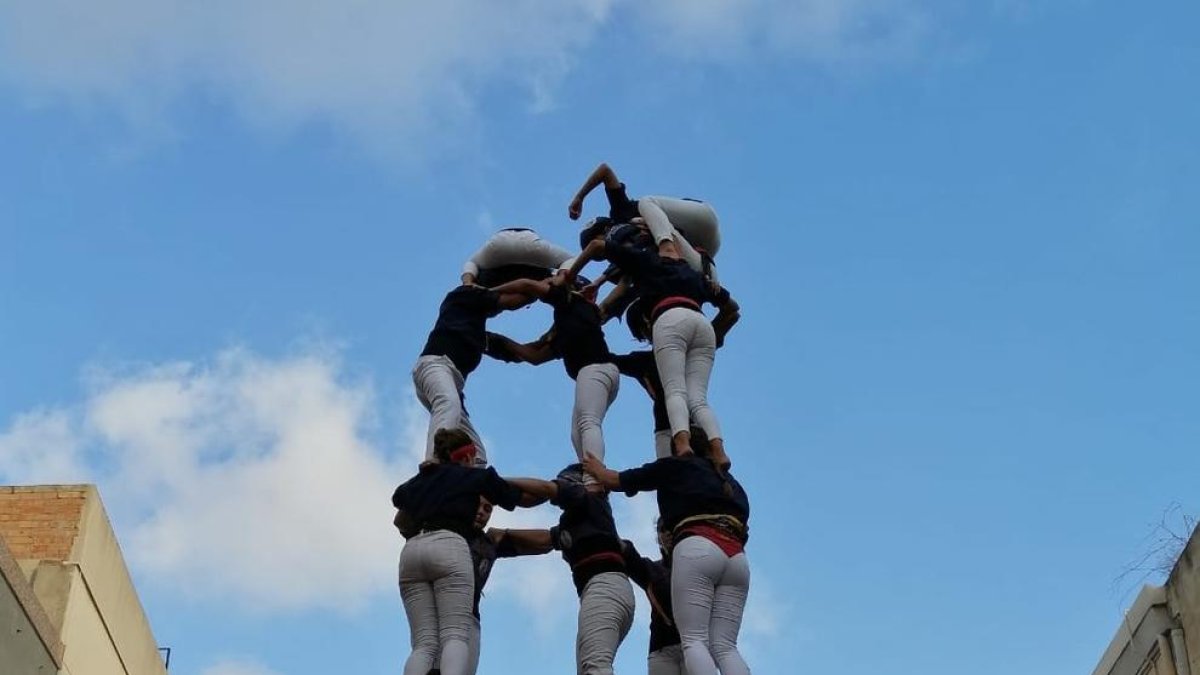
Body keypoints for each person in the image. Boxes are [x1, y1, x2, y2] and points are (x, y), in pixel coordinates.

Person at [559, 228, 740, 465]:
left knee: (675, 391)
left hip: (669, 428)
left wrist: (576, 321)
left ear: (647, 323)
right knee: (699, 399)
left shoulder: (646, 265)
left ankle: (682, 444)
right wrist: (712, 330)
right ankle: (719, 452)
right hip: (701, 330)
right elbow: (732, 311)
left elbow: (604, 359)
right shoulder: (693, 276)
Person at [583, 428, 751, 675]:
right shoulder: (731, 483)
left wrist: (597, 470)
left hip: (698, 546)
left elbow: (618, 480)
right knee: (725, 646)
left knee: (694, 639)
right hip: (736, 558)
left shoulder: (677, 466)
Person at [391, 428, 543, 675]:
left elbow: (398, 498)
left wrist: (429, 471)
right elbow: (525, 499)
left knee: (423, 644)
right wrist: (555, 492)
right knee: (455, 634)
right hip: (449, 545)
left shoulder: (422, 479)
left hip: (411, 552)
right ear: (466, 457)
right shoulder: (474, 478)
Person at [502, 466, 636, 675]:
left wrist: (495, 480)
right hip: (605, 590)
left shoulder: (586, 499)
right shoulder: (580, 518)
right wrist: (504, 534)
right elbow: (546, 540)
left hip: (604, 587)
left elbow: (547, 488)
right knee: (588, 668)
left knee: (595, 667)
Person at [484, 277, 620, 472]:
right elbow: (535, 356)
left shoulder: (570, 301)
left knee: (588, 422)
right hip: (601, 373)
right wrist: (502, 341)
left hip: (594, 370)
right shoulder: (571, 323)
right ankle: (589, 476)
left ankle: (595, 480)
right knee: (577, 432)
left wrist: (486, 294)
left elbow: (526, 284)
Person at [413, 283, 537, 464]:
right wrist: (547, 287)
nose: (497, 312)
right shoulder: (463, 296)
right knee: (448, 403)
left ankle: (466, 487)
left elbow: (528, 354)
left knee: (477, 454)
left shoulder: (478, 335)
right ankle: (434, 463)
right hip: (435, 366)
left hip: (451, 384)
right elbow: (512, 301)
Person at [568, 162, 721, 280]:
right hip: (701, 253)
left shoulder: (620, 213)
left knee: (646, 202)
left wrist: (579, 197)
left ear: (604, 230)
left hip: (701, 219)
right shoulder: (623, 255)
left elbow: (605, 170)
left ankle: (666, 246)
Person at [621, 522, 685, 675]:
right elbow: (629, 557)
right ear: (658, 538)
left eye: (671, 527)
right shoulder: (651, 570)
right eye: (662, 529)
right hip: (661, 651)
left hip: (695, 646)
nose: (668, 533)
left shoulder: (699, 567)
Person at [461, 228, 575, 287]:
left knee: (472, 264)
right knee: (568, 262)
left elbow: (471, 264)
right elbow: (571, 260)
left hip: (498, 244)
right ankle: (558, 280)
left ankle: (470, 286)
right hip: (530, 242)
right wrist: (561, 276)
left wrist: (468, 282)